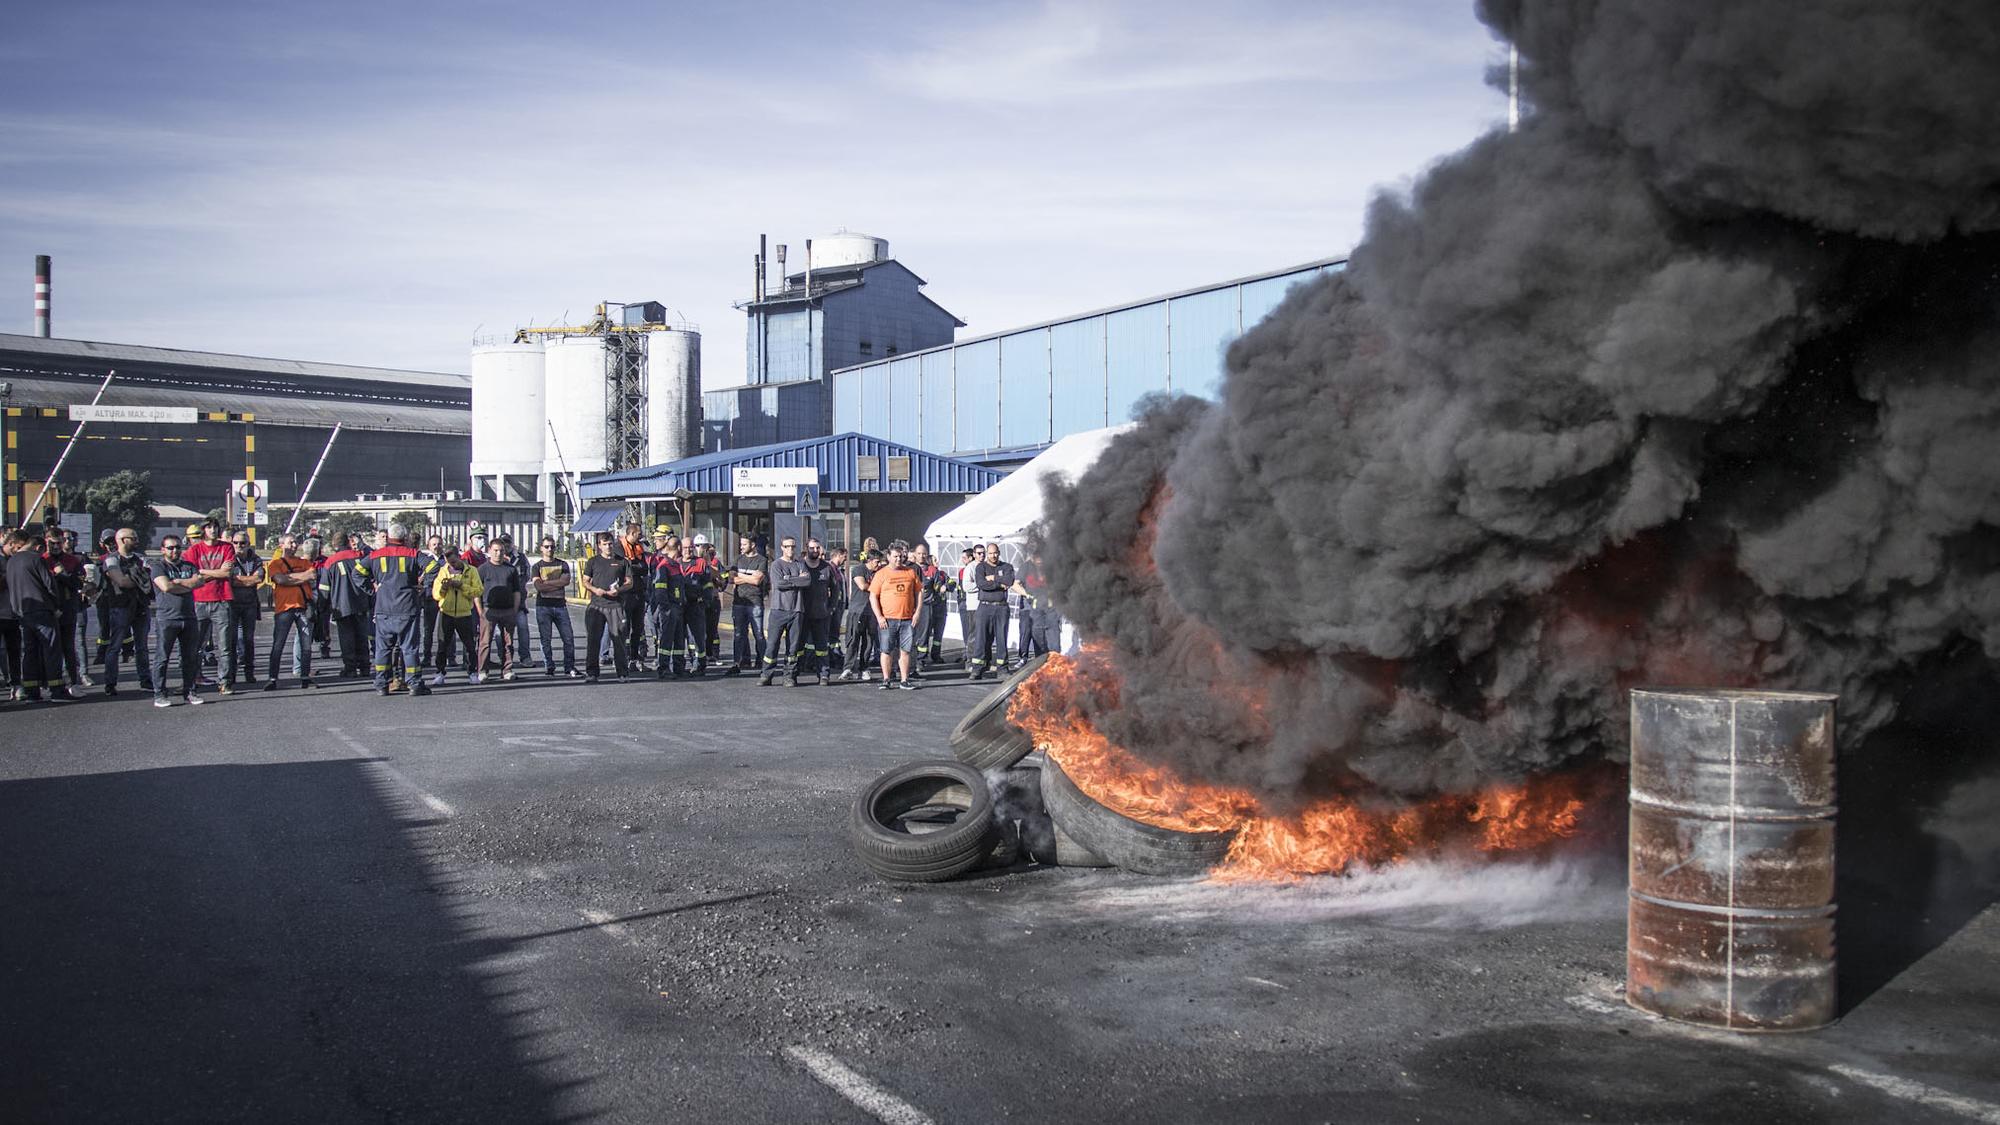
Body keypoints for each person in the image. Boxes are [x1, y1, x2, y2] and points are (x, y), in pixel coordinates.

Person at [359, 522, 429, 698]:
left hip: (383, 608)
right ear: (404, 538)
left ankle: (381, 685)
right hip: (407, 608)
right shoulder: (413, 553)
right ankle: (414, 684)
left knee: (383, 649)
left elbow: (357, 573)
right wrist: (423, 586)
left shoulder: (375, 555)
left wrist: (372, 589)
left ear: (388, 537)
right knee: (409, 648)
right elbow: (434, 567)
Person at [6, 527, 74, 702]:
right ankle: (57, 690)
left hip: (22, 612)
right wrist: (55, 606)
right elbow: (49, 585)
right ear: (37, 547)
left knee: (30, 652)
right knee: (51, 650)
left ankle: (31, 691)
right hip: (42, 611)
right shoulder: (37, 559)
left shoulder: (11, 561)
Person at [182, 519, 238, 692]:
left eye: (215, 527)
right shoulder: (194, 550)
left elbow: (226, 572)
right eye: (209, 527)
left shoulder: (226, 547)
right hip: (199, 600)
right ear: (203, 530)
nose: (213, 530)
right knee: (195, 645)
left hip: (221, 600)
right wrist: (216, 573)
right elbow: (193, 575)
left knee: (225, 646)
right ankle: (192, 680)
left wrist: (203, 571)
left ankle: (224, 682)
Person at [148, 533, 205, 706]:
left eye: (178, 547)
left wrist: (178, 583)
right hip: (167, 618)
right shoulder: (158, 566)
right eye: (171, 548)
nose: (175, 551)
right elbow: (166, 586)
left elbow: (199, 582)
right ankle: (159, 694)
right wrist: (187, 585)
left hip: (189, 617)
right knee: (162, 657)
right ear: (163, 549)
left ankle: (189, 691)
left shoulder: (189, 565)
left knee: (190, 657)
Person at [98, 527, 154, 696]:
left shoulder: (141, 558)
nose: (137, 540)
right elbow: (121, 581)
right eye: (133, 537)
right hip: (120, 607)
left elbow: (150, 578)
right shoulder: (111, 560)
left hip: (141, 607)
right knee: (115, 646)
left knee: (142, 646)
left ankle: (145, 680)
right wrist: (139, 577)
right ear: (122, 540)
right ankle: (110, 683)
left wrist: (136, 577)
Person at [263, 533, 319, 690]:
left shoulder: (304, 562)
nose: (294, 546)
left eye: (295, 543)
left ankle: (305, 676)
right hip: (284, 608)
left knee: (306, 645)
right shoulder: (275, 563)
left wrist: (289, 578)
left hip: (303, 606)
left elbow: (312, 575)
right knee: (278, 644)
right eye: (290, 542)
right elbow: (279, 580)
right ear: (282, 545)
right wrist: (302, 577)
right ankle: (273, 678)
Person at [869, 541, 923, 690]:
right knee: (886, 650)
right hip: (887, 620)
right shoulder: (881, 574)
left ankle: (904, 680)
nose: (898, 559)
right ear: (888, 557)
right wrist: (879, 617)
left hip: (907, 619)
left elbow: (919, 592)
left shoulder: (910, 572)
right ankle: (886, 679)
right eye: (895, 556)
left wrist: (917, 612)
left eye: (900, 556)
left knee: (905, 650)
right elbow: (873, 596)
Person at [580, 533, 631, 682]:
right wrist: (595, 590)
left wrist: (619, 590)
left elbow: (629, 582)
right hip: (597, 605)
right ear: (599, 545)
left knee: (619, 640)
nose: (608, 546)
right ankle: (592, 673)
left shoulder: (622, 562)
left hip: (615, 606)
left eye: (610, 543)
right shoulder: (593, 562)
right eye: (605, 544)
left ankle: (622, 673)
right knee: (593, 640)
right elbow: (585, 581)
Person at [758, 536, 808, 687]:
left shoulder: (801, 564)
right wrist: (796, 579)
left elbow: (807, 581)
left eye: (793, 546)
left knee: (793, 647)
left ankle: (789, 676)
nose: (790, 549)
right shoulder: (776, 565)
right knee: (772, 645)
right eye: (787, 546)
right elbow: (779, 584)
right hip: (778, 610)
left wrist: (789, 579)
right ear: (782, 548)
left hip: (797, 610)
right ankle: (766, 674)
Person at [430, 549, 484, 685]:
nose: (452, 565)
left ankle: (472, 672)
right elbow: (436, 595)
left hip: (464, 613)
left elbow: (478, 590)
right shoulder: (443, 571)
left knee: (469, 645)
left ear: (460, 558)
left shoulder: (471, 571)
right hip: (446, 613)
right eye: (449, 562)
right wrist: (444, 588)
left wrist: (461, 586)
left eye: (454, 561)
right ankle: (440, 672)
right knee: (442, 645)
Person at [531, 536, 581, 678]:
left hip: (560, 606)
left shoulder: (563, 564)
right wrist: (554, 583)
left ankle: (569, 667)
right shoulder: (536, 567)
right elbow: (538, 586)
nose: (550, 549)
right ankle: (549, 667)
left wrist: (546, 583)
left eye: (552, 546)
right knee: (545, 639)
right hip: (543, 607)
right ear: (541, 548)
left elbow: (565, 581)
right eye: (546, 546)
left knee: (568, 638)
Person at [475, 538, 524, 681]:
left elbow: (516, 591)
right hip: (489, 611)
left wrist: (514, 610)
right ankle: (483, 671)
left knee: (508, 643)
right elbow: (476, 592)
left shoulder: (511, 569)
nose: (498, 553)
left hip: (507, 610)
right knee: (485, 642)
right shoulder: (482, 569)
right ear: (489, 551)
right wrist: (480, 610)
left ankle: (507, 670)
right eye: (495, 550)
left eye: (501, 550)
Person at [324, 532, 371, 678]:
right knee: (362, 636)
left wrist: (323, 606)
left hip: (341, 604)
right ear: (349, 542)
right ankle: (365, 667)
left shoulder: (330, 562)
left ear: (334, 544)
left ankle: (350, 668)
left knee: (346, 638)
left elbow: (324, 588)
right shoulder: (359, 557)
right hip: (361, 602)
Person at [48, 527, 90, 688]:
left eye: (60, 542)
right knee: (51, 647)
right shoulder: (43, 559)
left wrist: (62, 574)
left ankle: (74, 681)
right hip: (49, 610)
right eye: (52, 543)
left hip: (69, 608)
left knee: (69, 647)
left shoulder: (74, 560)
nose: (57, 546)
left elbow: (78, 583)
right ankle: (52, 683)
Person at [967, 541, 1016, 681]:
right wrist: (999, 584)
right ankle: (977, 669)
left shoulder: (1007, 567)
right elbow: (981, 583)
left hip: (1001, 607)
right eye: (990, 553)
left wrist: (993, 578)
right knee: (981, 639)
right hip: (984, 607)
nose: (993, 555)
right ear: (987, 554)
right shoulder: (980, 567)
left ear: (999, 553)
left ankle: (1002, 669)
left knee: (1001, 638)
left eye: (995, 553)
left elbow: (1009, 580)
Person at [227, 530, 264, 686]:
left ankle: (249, 672)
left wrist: (239, 580)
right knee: (231, 641)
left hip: (249, 604)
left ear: (249, 544)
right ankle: (231, 674)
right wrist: (247, 580)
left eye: (243, 543)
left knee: (248, 640)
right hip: (232, 604)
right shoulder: (229, 559)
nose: (239, 546)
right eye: (235, 543)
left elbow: (258, 578)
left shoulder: (256, 559)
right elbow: (228, 580)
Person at [648, 536, 687, 680]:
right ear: (678, 548)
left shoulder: (675, 565)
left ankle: (678, 667)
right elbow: (660, 590)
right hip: (669, 608)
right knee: (666, 640)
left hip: (678, 607)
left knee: (678, 640)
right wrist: (666, 609)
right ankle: (663, 668)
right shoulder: (664, 566)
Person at [729, 534, 768, 674]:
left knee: (759, 634)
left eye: (744, 544)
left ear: (752, 545)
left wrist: (742, 577)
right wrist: (750, 577)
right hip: (738, 602)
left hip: (755, 602)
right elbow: (732, 578)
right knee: (739, 634)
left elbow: (757, 581)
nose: (741, 547)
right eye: (741, 544)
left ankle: (763, 663)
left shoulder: (762, 560)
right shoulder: (738, 559)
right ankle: (737, 663)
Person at [841, 549, 882, 681]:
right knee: (853, 640)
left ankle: (864, 668)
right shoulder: (858, 570)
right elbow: (863, 586)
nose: (879, 564)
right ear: (869, 560)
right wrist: (879, 586)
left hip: (872, 612)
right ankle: (848, 668)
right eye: (877, 561)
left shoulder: (879, 572)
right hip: (857, 611)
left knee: (868, 641)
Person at [418, 533, 446, 670]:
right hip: (429, 598)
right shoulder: (424, 561)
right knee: (428, 630)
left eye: (439, 544)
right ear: (429, 546)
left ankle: (448, 657)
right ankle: (427, 657)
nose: (437, 547)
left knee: (446, 629)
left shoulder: (446, 561)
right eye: (434, 544)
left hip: (444, 598)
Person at [823, 544, 849, 672]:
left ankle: (835, 655)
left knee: (835, 633)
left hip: (839, 605)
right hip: (833, 606)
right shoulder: (830, 569)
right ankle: (832, 656)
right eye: (844, 557)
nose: (845, 560)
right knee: (831, 633)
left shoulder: (839, 570)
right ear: (838, 555)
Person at [954, 547, 978, 655]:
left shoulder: (976, 568)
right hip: (963, 602)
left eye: (964, 558)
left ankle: (972, 652)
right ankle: (968, 650)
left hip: (972, 602)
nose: (962, 560)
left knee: (972, 630)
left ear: (970, 557)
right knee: (966, 629)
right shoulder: (962, 571)